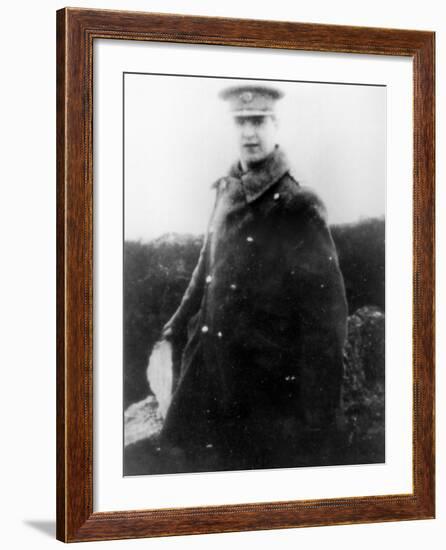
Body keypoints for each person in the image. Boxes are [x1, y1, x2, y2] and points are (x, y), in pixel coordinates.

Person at [159, 84, 348, 472]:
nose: (249, 133)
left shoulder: (298, 204)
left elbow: (325, 322)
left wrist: (317, 422)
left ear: (275, 124)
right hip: (210, 370)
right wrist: (175, 326)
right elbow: (206, 266)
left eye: (258, 121)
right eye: (241, 122)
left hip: (266, 387)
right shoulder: (226, 189)